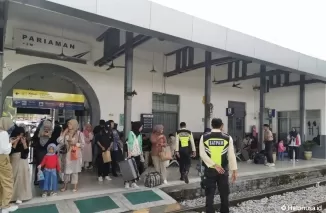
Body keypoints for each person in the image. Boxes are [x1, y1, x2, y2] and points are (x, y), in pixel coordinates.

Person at [199, 118, 237, 213]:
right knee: (224, 194)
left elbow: (202, 154)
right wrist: (234, 170)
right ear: (222, 125)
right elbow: (231, 155)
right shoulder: (228, 138)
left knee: (209, 195)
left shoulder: (204, 137)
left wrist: (214, 165)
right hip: (223, 170)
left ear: (212, 125)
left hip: (209, 170)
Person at [57, 119, 85, 192]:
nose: (68, 125)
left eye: (70, 124)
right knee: (66, 171)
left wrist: (75, 144)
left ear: (74, 125)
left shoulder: (79, 133)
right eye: (68, 124)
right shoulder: (65, 133)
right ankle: (65, 186)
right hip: (67, 154)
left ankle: (75, 186)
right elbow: (59, 141)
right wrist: (63, 133)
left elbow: (83, 144)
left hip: (75, 154)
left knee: (75, 171)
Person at [9, 126, 32, 204]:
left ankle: (21, 196)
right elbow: (10, 152)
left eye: (22, 134)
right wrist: (15, 143)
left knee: (22, 178)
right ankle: (11, 196)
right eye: (19, 134)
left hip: (23, 161)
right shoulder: (11, 139)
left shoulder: (25, 140)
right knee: (13, 177)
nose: (21, 136)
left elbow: (26, 152)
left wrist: (24, 143)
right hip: (14, 160)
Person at [0, 117, 18, 213]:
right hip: (3, 158)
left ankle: (2, 203)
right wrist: (10, 143)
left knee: (1, 182)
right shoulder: (3, 133)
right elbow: (5, 149)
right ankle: (5, 206)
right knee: (7, 182)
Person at [33, 120, 53, 185]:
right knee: (39, 164)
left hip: (48, 151)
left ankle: (45, 180)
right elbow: (35, 138)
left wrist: (49, 135)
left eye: (48, 127)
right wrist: (41, 134)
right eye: (45, 127)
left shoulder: (52, 132)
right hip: (40, 150)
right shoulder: (39, 131)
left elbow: (54, 141)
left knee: (47, 166)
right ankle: (37, 179)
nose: (46, 129)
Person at [125, 121, 144, 188]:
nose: (142, 128)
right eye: (141, 126)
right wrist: (129, 153)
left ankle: (133, 182)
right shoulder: (131, 133)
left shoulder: (140, 134)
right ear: (137, 126)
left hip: (137, 153)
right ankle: (127, 182)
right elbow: (130, 143)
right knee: (129, 168)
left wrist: (141, 153)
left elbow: (140, 144)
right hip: (131, 153)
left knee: (136, 168)